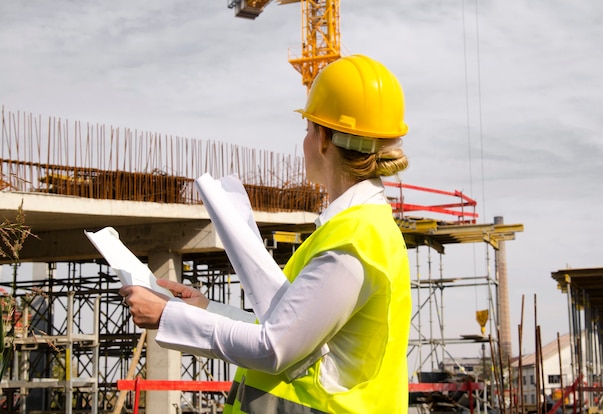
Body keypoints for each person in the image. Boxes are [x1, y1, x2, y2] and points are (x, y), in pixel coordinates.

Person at [120, 54, 412, 413]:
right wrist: (207, 310)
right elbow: (295, 337)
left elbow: (274, 348)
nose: (304, 141)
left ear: (323, 139)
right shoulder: (355, 230)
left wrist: (168, 316)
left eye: (307, 130)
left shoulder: (353, 241)